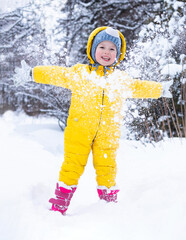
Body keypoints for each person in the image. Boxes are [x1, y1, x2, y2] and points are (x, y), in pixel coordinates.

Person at [14, 26, 172, 215]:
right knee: (72, 166)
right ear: (92, 49)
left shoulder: (121, 80)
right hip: (78, 132)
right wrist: (32, 73)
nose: (106, 52)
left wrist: (160, 89)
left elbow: (140, 87)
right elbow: (55, 74)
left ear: (118, 54)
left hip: (108, 135)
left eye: (112, 49)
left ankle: (108, 207)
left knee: (107, 168)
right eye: (102, 47)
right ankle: (59, 205)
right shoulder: (79, 74)